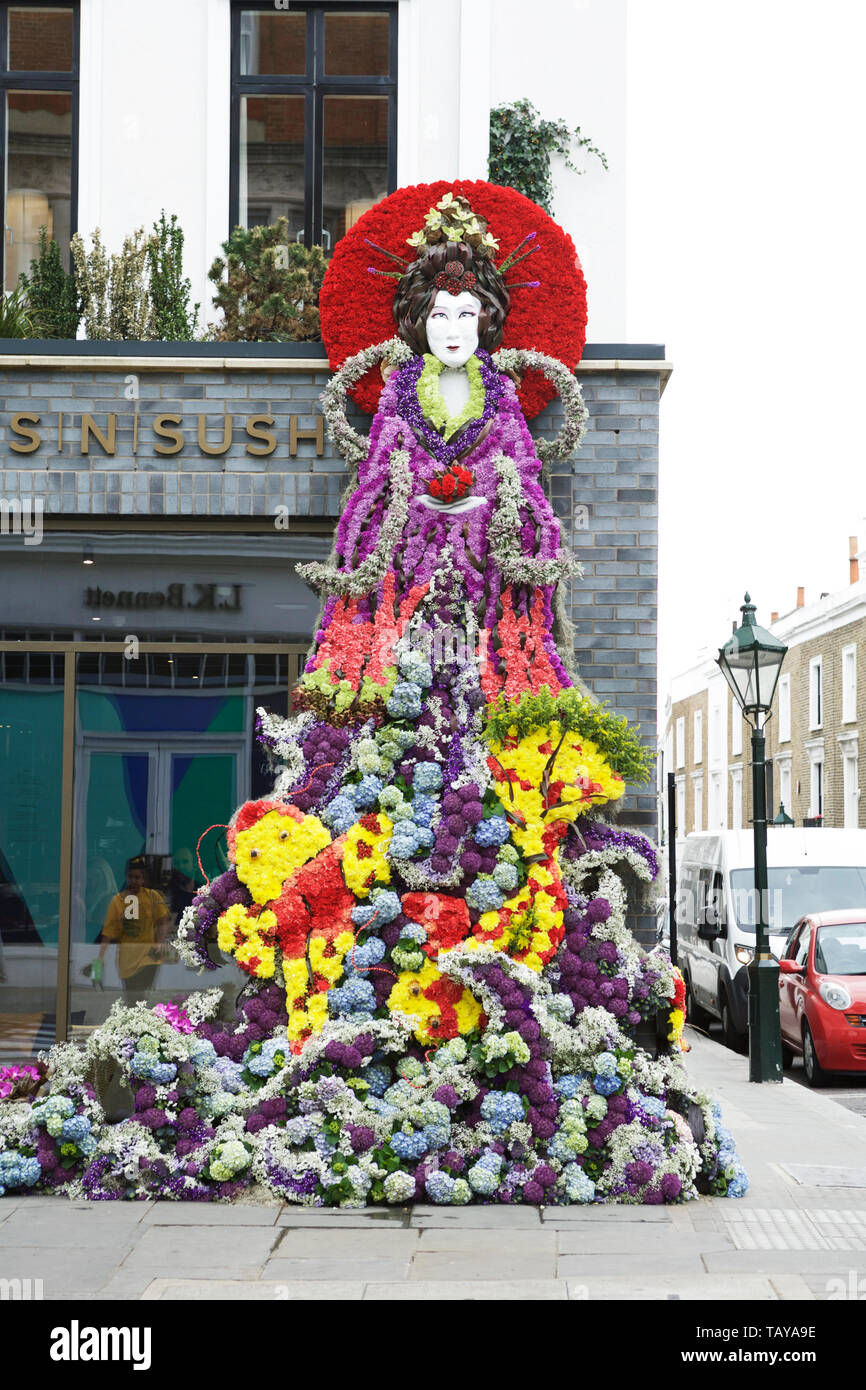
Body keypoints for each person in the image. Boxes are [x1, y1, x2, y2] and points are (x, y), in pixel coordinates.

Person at [97, 857, 171, 1003]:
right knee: (131, 999)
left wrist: (160, 943)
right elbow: (108, 932)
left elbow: (163, 921)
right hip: (127, 959)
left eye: (138, 877)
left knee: (142, 997)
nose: (134, 881)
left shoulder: (152, 896)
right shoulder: (117, 901)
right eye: (131, 877)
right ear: (126, 877)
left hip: (148, 957)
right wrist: (100, 958)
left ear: (143, 879)